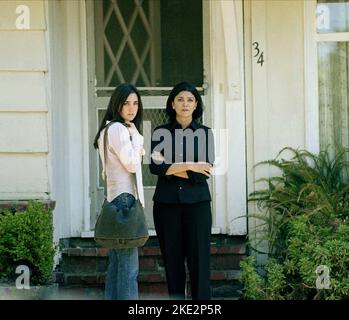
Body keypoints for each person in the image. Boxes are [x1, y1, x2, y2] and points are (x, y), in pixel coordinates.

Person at [149, 81, 215, 300]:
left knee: (199, 264)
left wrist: (172, 167)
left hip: (198, 206)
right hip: (167, 206)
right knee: (173, 264)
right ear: (172, 104)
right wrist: (189, 165)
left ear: (196, 104)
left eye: (190, 99)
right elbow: (155, 167)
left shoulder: (205, 134)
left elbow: (203, 172)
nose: (185, 104)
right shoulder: (160, 133)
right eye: (180, 99)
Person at [93, 83, 145, 300]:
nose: (131, 108)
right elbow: (132, 165)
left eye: (135, 103)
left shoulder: (106, 130)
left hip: (115, 199)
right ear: (117, 104)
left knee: (116, 265)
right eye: (126, 103)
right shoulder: (119, 129)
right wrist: (139, 139)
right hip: (125, 201)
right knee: (128, 267)